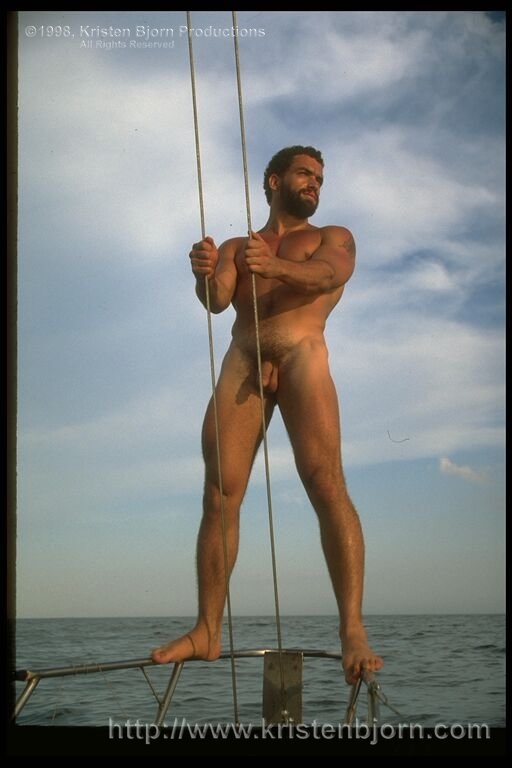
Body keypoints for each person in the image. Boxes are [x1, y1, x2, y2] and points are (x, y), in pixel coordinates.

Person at [152, 146, 383, 685]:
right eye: (305, 173)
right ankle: (207, 630)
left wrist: (275, 266)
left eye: (320, 177)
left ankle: (352, 630)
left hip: (302, 354)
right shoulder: (239, 246)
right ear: (275, 180)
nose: (315, 183)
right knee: (220, 493)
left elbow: (328, 275)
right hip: (243, 359)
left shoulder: (333, 235)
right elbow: (217, 300)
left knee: (326, 484)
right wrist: (204, 272)